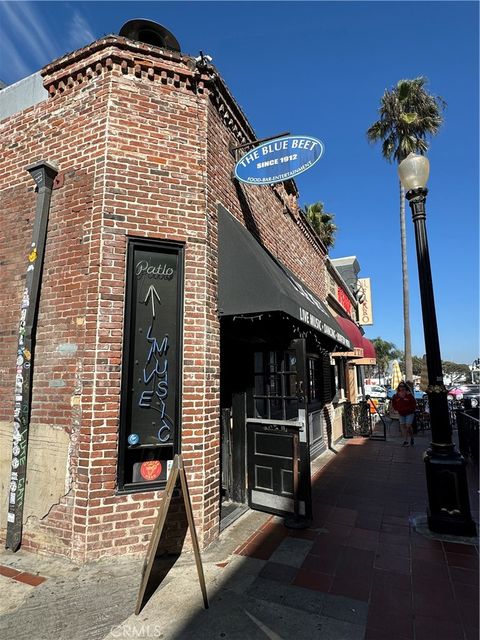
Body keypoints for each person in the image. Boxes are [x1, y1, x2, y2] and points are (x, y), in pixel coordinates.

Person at [391, 381, 417, 446]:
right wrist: (396, 409)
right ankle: (406, 440)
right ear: (398, 388)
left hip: (409, 413)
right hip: (401, 413)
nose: (401, 388)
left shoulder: (409, 395)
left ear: (405, 387)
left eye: (403, 386)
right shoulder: (396, 395)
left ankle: (411, 437)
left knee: (408, 426)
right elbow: (393, 403)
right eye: (400, 386)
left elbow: (413, 403)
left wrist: (411, 409)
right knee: (402, 426)